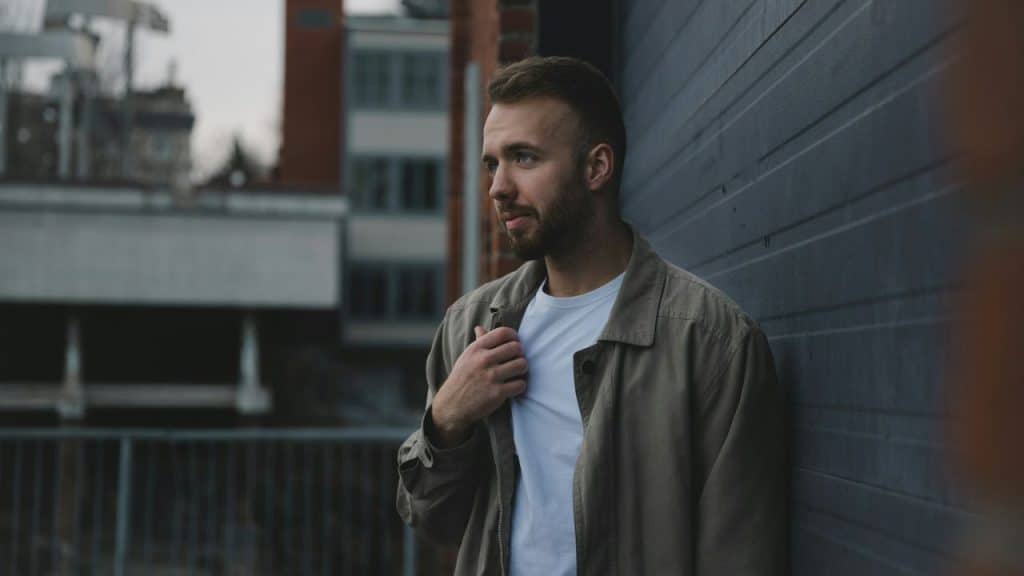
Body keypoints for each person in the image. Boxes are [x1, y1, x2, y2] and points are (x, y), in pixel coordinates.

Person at [396, 56, 787, 575]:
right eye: (493, 163)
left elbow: (739, 555)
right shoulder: (474, 327)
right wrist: (446, 422)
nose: (498, 187)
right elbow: (432, 521)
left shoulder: (710, 342)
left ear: (597, 167)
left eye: (524, 158)